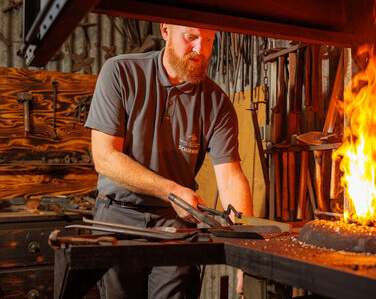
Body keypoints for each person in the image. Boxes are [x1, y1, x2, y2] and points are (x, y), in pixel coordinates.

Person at [85, 23, 253, 299]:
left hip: (173, 222)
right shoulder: (120, 72)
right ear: (165, 31)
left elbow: (230, 176)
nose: (200, 49)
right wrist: (172, 191)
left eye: (209, 41)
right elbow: (105, 158)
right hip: (117, 217)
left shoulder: (216, 102)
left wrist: (245, 251)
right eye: (191, 37)